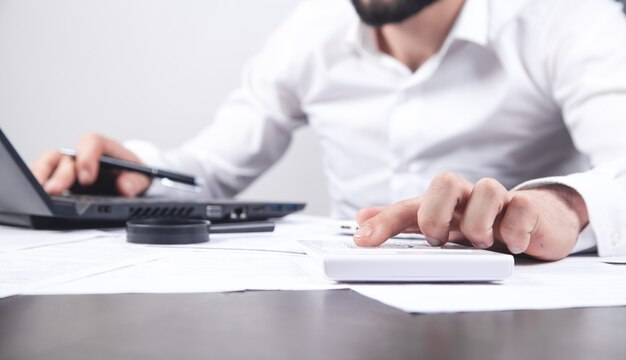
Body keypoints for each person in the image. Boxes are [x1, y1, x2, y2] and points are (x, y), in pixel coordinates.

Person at [31, 0, 626, 260]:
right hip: (340, 311)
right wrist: (135, 174)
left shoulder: (569, 21)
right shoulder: (311, 31)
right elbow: (213, 169)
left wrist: (565, 205)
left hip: (516, 311)